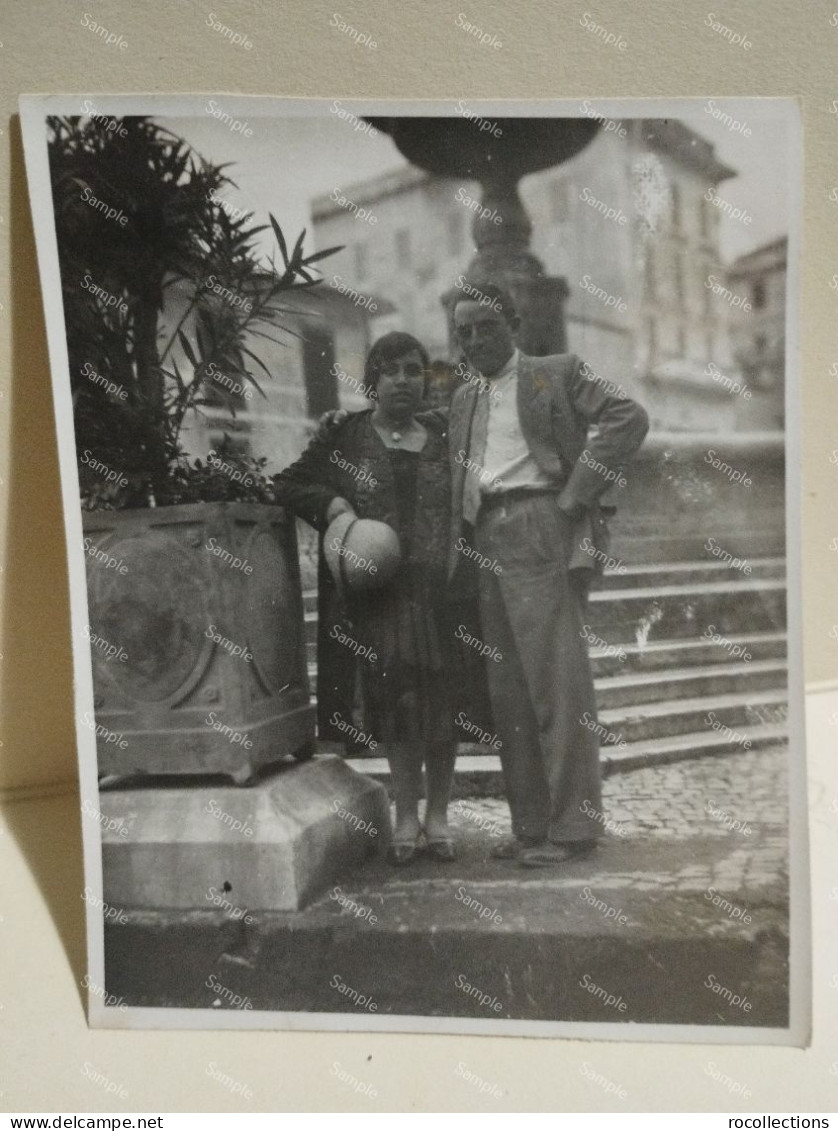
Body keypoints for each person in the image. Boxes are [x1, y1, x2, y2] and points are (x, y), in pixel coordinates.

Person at [448, 284, 649, 867]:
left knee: (558, 684)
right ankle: (531, 826)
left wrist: (572, 498)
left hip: (541, 520)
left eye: (487, 326)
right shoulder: (463, 398)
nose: (475, 340)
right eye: (464, 332)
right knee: (507, 690)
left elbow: (626, 417)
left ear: (513, 323)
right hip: (484, 534)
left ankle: (574, 829)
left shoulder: (555, 372)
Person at [272, 332, 457, 865]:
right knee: (399, 706)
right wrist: (334, 508)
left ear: (425, 379)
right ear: (371, 381)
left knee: (444, 708)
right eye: (391, 370)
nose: (403, 379)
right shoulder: (346, 435)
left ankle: (440, 814)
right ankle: (404, 815)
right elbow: (289, 483)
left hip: (441, 593)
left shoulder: (445, 434)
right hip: (383, 599)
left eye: (413, 370)